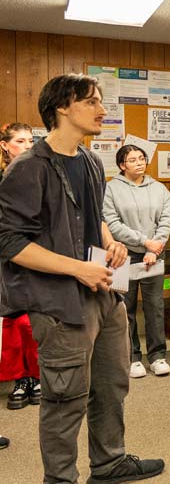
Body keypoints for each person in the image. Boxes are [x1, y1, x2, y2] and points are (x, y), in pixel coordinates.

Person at [0, 74, 164, 483]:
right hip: (59, 305)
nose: (102, 110)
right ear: (63, 107)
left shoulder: (90, 161)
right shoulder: (28, 168)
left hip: (104, 294)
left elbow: (94, 221)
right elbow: (10, 242)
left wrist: (111, 243)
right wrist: (77, 268)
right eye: (91, 101)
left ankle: (109, 464)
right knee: (64, 399)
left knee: (111, 385)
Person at [103, 144, 170, 379]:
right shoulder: (110, 189)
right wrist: (145, 242)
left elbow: (165, 220)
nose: (139, 163)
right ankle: (132, 357)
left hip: (155, 253)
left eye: (141, 158)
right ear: (122, 165)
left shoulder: (159, 188)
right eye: (132, 160)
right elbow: (111, 223)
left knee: (155, 307)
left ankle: (157, 356)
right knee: (125, 308)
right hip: (123, 254)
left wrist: (156, 247)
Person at [0, 122, 41, 411]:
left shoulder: (39, 177)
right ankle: (19, 379)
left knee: (35, 322)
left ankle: (37, 377)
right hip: (7, 259)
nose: (26, 146)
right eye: (19, 141)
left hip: (37, 256)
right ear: (5, 145)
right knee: (14, 323)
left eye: (30, 141)